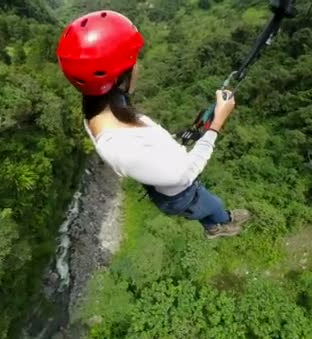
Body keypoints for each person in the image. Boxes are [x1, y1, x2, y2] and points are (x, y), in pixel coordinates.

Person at [56, 10, 252, 239]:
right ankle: (222, 225)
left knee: (204, 207)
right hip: (179, 193)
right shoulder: (120, 145)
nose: (138, 66)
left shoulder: (99, 109)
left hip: (172, 189)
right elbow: (185, 174)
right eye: (134, 62)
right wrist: (216, 123)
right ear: (120, 78)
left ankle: (212, 226)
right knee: (214, 205)